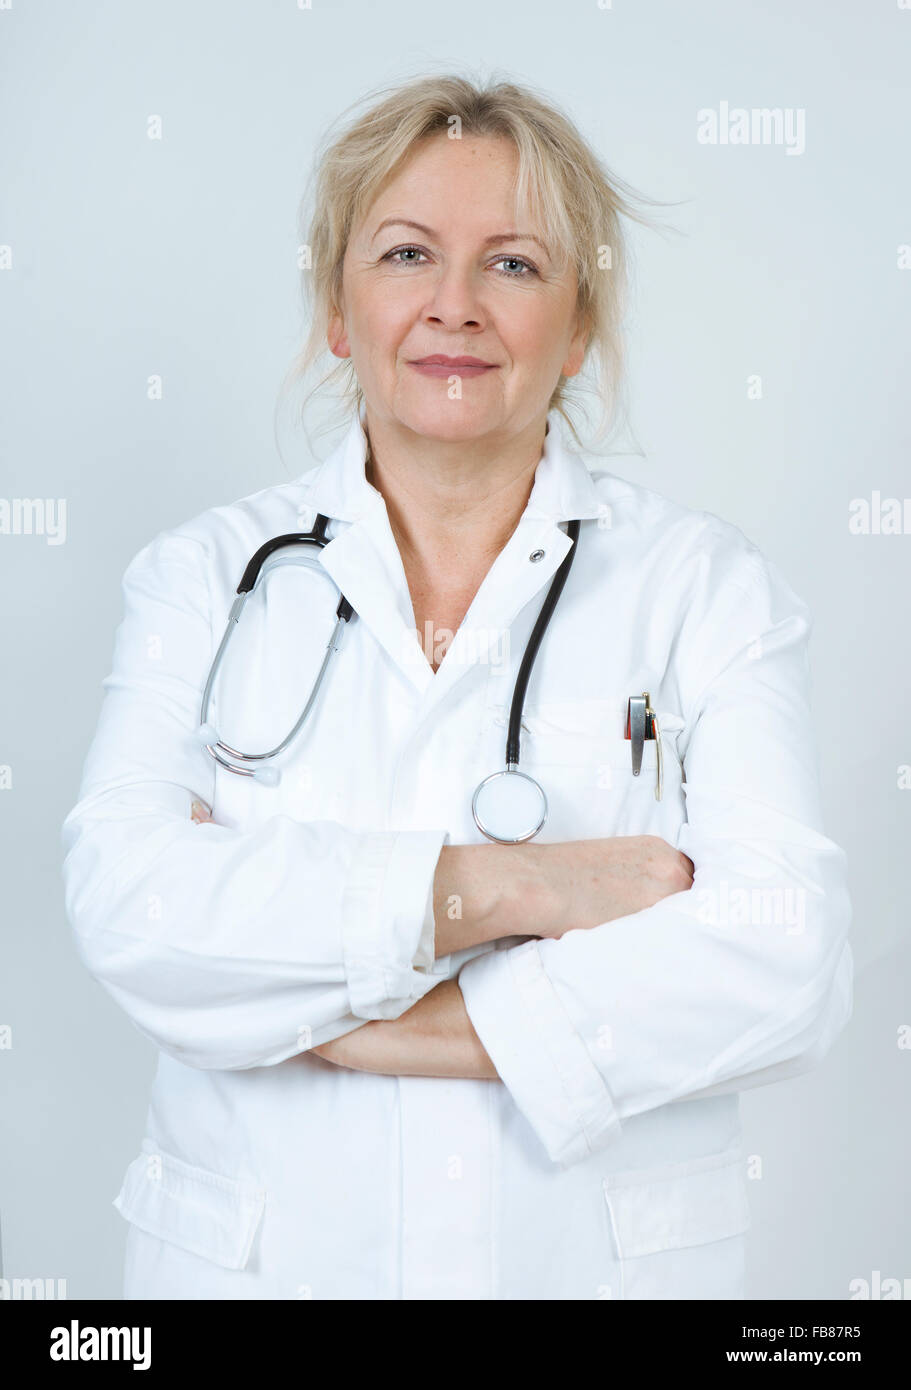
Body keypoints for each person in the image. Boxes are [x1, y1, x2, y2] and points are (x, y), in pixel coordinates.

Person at [61, 73, 853, 1301]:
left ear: (579, 325)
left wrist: (350, 1020)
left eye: (514, 266)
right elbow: (129, 904)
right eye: (406, 254)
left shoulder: (704, 590)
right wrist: (523, 888)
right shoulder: (203, 581)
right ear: (338, 306)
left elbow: (784, 959)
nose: (454, 306)